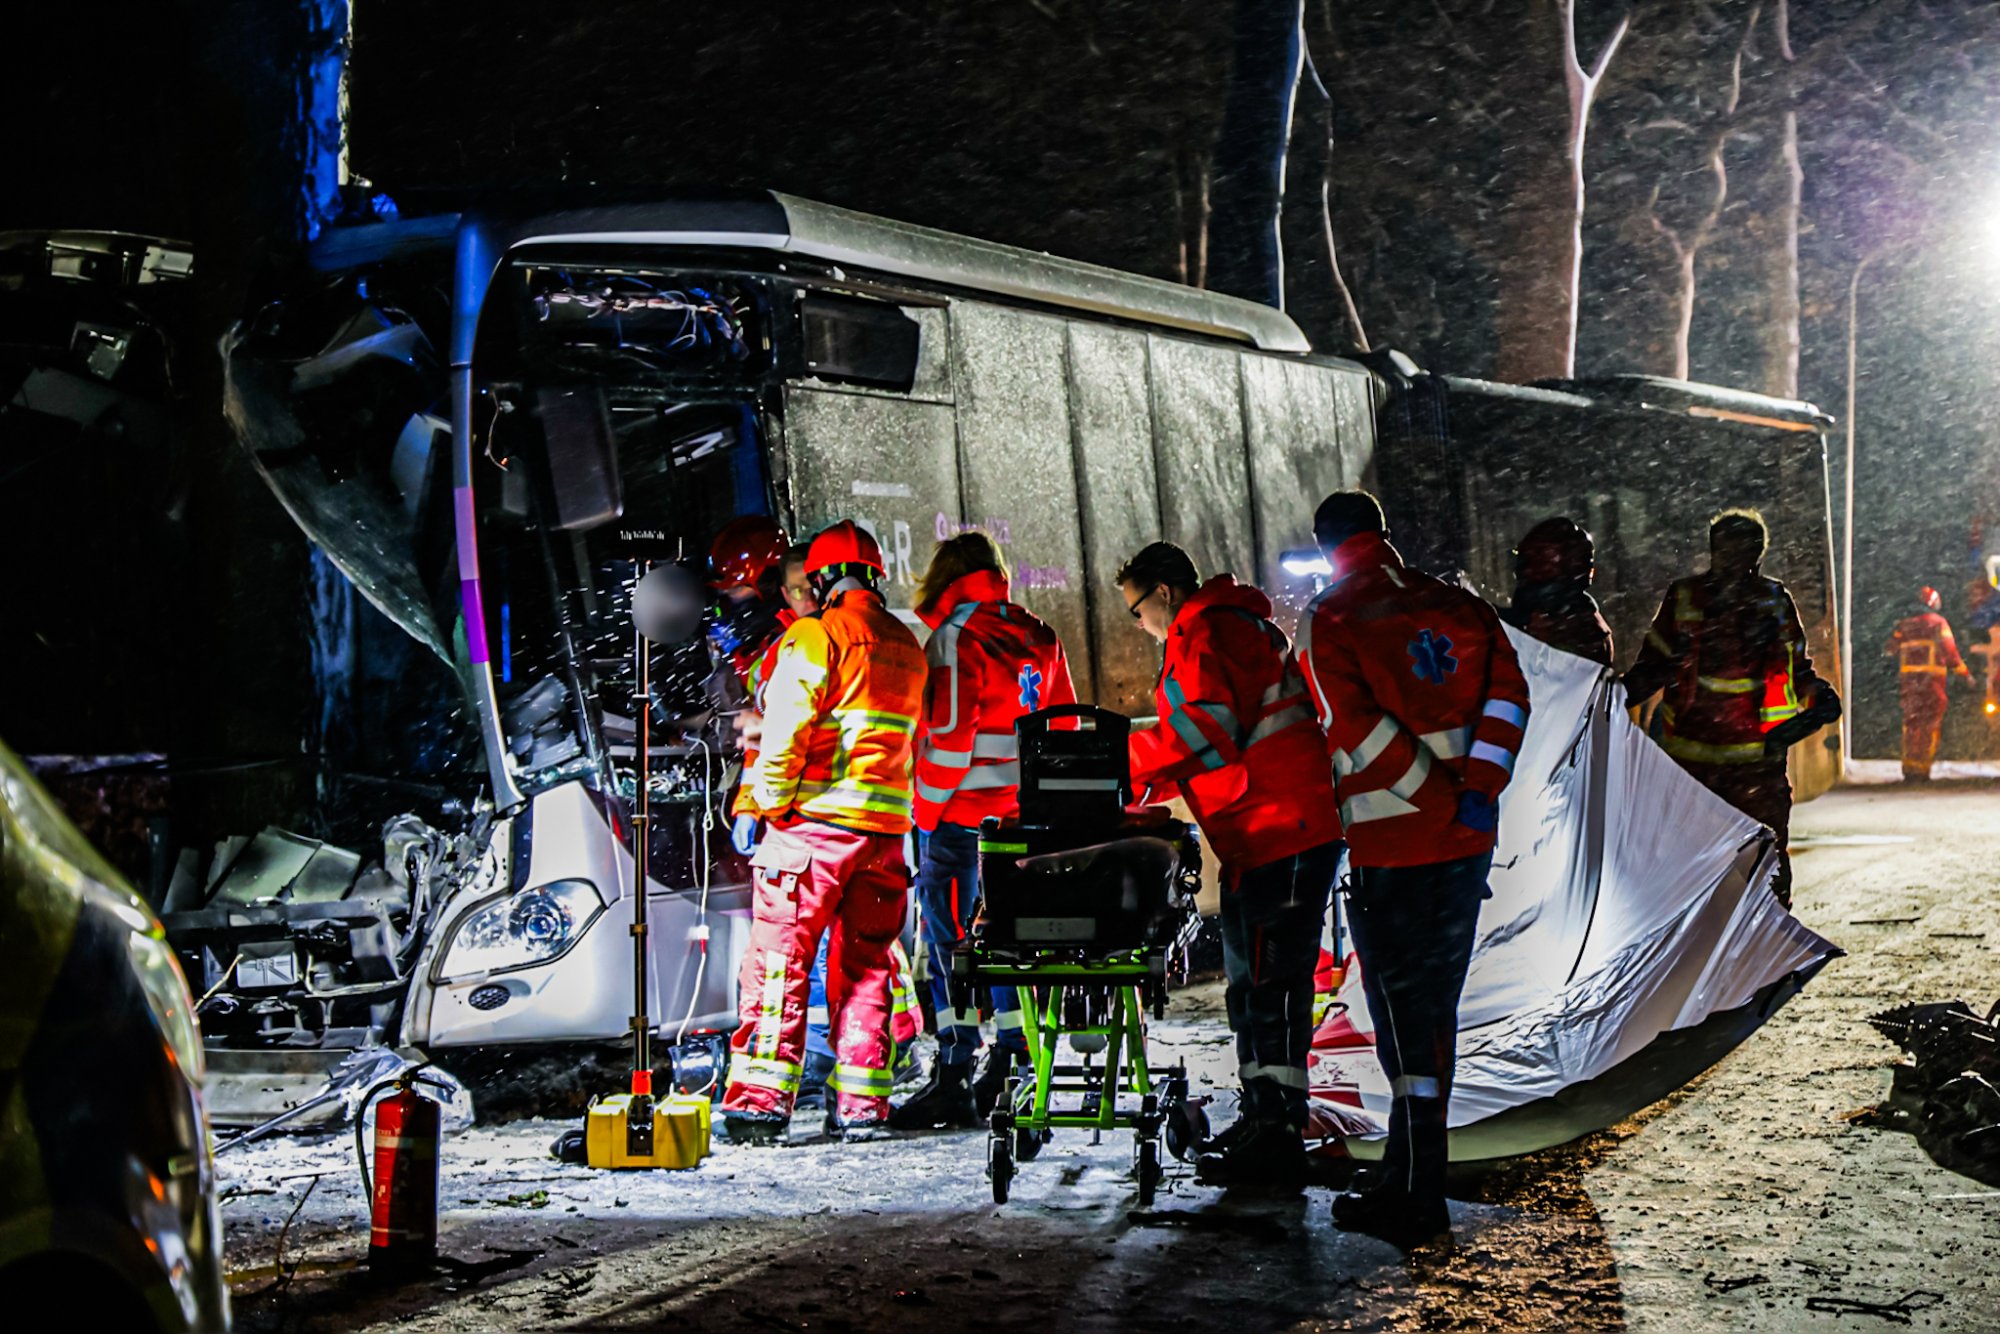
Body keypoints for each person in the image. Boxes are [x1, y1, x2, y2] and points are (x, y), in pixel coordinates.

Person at [1297, 490, 1530, 1247]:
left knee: (1404, 1020)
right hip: (1466, 845)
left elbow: (1358, 735)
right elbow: (1510, 699)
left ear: (1328, 546)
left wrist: (1433, 799)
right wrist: (1477, 792)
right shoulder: (1457, 604)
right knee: (1437, 1010)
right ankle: (1408, 1172)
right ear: (1382, 535)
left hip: (1396, 847)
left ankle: (1415, 1193)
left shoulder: (1332, 618)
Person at [1117, 541, 1344, 1186]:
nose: (1141, 625)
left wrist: (1123, 762)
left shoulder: (1208, 630)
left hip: (1279, 830)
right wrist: (1148, 788)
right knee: (1257, 986)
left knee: (1269, 986)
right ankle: (1265, 1119)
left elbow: (1205, 730)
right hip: (1267, 831)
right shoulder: (1225, 627)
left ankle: (1275, 1135)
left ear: (1163, 592)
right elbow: (1209, 739)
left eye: (1138, 611)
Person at [719, 521, 927, 1143]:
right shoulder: (905, 645)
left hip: (812, 831)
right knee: (866, 970)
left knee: (779, 964)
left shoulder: (817, 637)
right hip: (885, 836)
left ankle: (760, 1103)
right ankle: (863, 1108)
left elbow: (784, 734)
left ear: (821, 580)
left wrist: (768, 803)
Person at [889, 532, 1078, 1130]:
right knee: (1011, 943)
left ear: (944, 578)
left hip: (958, 822)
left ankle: (954, 1070)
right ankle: (1014, 1064)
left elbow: (948, 741)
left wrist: (923, 813)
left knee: (954, 949)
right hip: (1025, 822)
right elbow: (1064, 725)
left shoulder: (954, 637)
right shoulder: (1038, 633)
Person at [1621, 509, 1841, 908]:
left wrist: (1818, 699)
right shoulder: (1695, 598)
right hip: (1710, 768)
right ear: (1713, 551)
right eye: (1725, 550)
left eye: (1741, 551)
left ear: (1757, 555)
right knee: (1724, 870)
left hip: (1739, 768)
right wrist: (1610, 699)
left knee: (1750, 870)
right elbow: (1652, 668)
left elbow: (1796, 671)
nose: (1732, 560)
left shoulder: (1766, 601)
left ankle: (1754, 957)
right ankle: (1743, 956)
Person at [1500, 516, 1614, 666]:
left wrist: (1538, 642)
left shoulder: (1584, 635)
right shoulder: (1566, 621)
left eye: (1539, 565)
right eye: (1525, 563)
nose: (1527, 573)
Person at [1885, 586, 1970, 782]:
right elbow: (1951, 654)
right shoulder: (1938, 623)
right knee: (1929, 725)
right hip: (1932, 684)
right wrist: (1965, 674)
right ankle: (1922, 770)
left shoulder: (1902, 626)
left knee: (1911, 724)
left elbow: (1890, 649)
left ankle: (1909, 768)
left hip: (1909, 685)